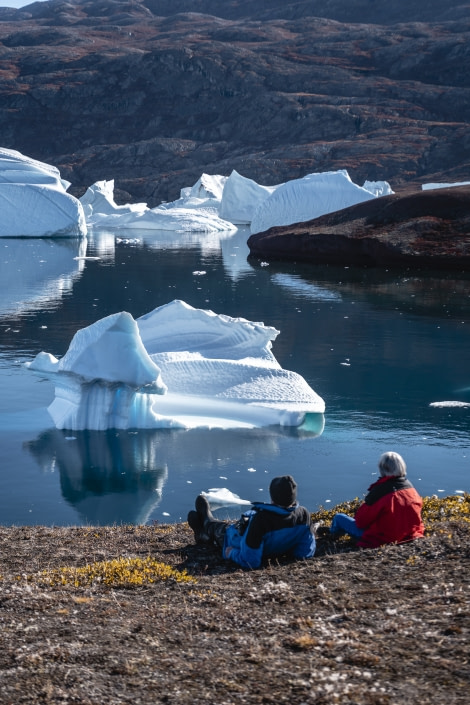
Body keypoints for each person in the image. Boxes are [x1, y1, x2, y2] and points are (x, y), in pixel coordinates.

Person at [187, 475, 316, 570]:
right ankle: (202, 534)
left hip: (234, 541)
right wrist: (285, 551)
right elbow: (306, 551)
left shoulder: (262, 520)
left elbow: (250, 561)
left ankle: (206, 525)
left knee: (218, 529)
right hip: (272, 548)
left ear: (272, 497)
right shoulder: (303, 515)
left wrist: (231, 553)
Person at [329, 451, 425, 548]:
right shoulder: (411, 489)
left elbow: (360, 521)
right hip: (410, 535)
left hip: (383, 539)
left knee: (339, 518)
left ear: (382, 469)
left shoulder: (380, 491)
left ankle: (331, 537)